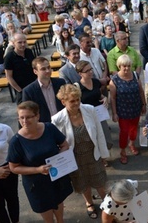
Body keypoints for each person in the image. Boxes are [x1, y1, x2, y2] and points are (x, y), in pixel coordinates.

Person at [7, 101, 73, 222]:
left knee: (58, 201)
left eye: (28, 117)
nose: (24, 121)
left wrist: (58, 160)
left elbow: (64, 145)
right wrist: (37, 169)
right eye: (21, 117)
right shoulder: (16, 141)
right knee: (45, 209)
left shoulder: (49, 128)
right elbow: (13, 167)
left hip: (55, 176)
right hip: (36, 184)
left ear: (37, 116)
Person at [51, 84, 109, 219]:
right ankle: (89, 203)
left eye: (78, 99)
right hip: (75, 158)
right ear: (63, 101)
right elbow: (57, 143)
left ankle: (108, 205)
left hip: (93, 154)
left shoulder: (89, 110)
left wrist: (103, 154)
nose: (76, 103)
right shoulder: (57, 119)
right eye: (72, 101)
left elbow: (99, 133)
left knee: (100, 182)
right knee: (83, 183)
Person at [109, 55, 145, 164]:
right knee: (124, 132)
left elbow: (141, 91)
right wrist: (114, 113)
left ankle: (132, 144)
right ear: (119, 66)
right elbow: (113, 98)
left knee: (134, 129)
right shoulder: (114, 81)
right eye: (124, 66)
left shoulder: (135, 75)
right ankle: (123, 151)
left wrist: (144, 104)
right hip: (123, 111)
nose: (126, 69)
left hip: (135, 108)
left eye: (128, 66)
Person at [22, 57, 65, 123]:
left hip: (63, 121)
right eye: (43, 69)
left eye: (48, 67)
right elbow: (27, 113)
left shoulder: (60, 83)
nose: (47, 71)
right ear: (35, 71)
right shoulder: (28, 91)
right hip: (44, 126)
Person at [4, 33, 36, 104]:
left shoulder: (29, 52)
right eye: (19, 42)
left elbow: (35, 66)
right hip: (21, 88)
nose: (23, 44)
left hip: (33, 85)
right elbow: (9, 77)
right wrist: (20, 91)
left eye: (24, 42)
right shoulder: (9, 57)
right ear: (13, 43)